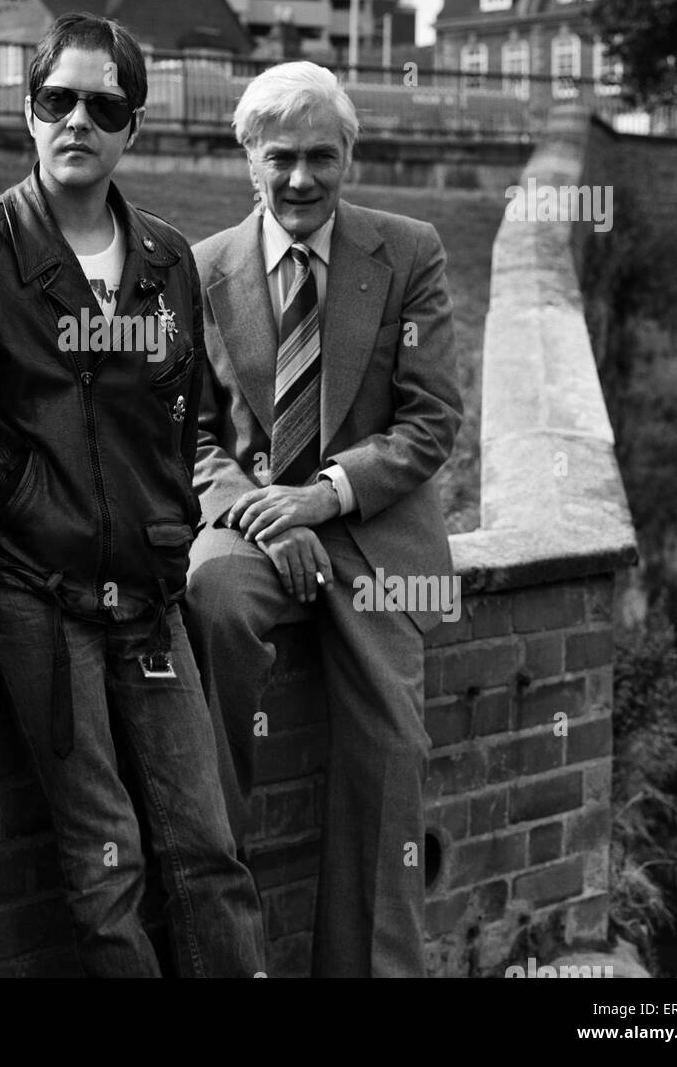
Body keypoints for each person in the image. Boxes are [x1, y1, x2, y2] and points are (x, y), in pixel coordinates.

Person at [0, 12, 264, 977]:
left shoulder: (167, 261)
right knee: (109, 859)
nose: (79, 121)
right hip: (36, 599)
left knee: (209, 848)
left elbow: (186, 422)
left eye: (105, 105)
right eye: (58, 100)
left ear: (133, 128)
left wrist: (176, 530)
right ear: (29, 112)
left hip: (149, 597)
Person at [184, 61, 462, 977]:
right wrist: (271, 518)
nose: (301, 180)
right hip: (257, 526)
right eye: (281, 159)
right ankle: (216, 907)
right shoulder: (199, 270)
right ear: (248, 162)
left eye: (321, 158)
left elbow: (431, 419)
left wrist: (327, 493)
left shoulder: (408, 250)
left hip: (376, 532)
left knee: (392, 752)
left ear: (350, 156)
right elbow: (183, 439)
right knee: (211, 590)